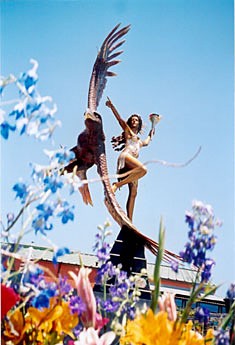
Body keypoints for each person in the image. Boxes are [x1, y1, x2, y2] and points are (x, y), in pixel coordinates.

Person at [106, 97, 155, 221]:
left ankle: (130, 221)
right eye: (132, 120)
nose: (134, 121)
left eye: (136, 120)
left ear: (139, 124)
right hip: (126, 157)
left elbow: (147, 142)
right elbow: (120, 120)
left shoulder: (139, 141)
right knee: (143, 170)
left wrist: (152, 131)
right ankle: (117, 185)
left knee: (134, 193)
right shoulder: (128, 132)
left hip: (132, 163)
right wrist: (112, 107)